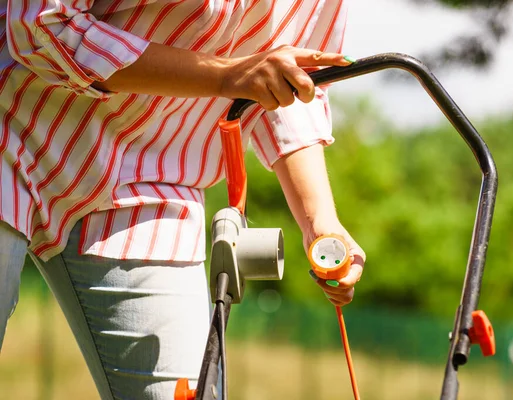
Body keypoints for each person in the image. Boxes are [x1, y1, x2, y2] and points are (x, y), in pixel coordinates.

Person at [0, 0, 366, 398]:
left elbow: (291, 92)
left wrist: (320, 222)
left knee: (194, 390)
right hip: (13, 124)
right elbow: (41, 25)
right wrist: (227, 76)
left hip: (152, 179)